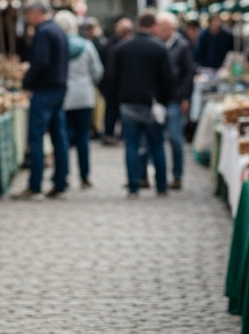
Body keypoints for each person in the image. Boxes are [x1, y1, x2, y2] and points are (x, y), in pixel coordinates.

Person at [13, 2, 71, 200]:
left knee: (36, 137)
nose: (27, 18)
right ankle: (60, 180)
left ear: (36, 13)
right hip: (59, 88)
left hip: (45, 89)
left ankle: (35, 184)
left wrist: (27, 81)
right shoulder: (58, 30)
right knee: (58, 136)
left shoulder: (44, 32)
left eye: (28, 14)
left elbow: (41, 62)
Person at [113, 12, 173, 195]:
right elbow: (167, 79)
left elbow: (113, 77)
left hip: (129, 103)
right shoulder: (159, 48)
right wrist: (163, 101)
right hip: (152, 104)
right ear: (154, 26)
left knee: (131, 145)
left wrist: (120, 98)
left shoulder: (123, 48)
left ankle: (133, 185)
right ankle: (161, 186)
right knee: (157, 145)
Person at [57, 10, 102, 189]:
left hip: (65, 96)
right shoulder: (87, 45)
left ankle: (64, 175)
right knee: (83, 136)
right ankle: (84, 175)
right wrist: (89, 83)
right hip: (84, 95)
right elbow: (97, 70)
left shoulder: (59, 45)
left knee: (64, 138)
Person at [155, 13, 195, 190]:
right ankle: (158, 175)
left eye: (165, 27)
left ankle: (177, 175)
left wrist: (185, 97)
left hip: (175, 99)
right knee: (156, 139)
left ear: (172, 28)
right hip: (158, 99)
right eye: (160, 27)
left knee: (175, 138)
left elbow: (188, 74)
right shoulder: (156, 45)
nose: (162, 30)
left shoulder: (182, 46)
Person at [99, 17, 134, 145]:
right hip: (111, 85)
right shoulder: (109, 44)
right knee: (111, 111)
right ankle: (109, 134)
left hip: (126, 85)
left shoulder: (131, 44)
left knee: (124, 112)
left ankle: (124, 135)